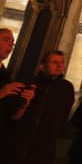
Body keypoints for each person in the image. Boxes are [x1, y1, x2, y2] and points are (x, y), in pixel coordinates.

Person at [13, 50, 75, 164]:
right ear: (42, 66)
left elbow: (64, 113)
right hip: (21, 138)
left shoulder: (67, 87)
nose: (59, 66)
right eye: (54, 62)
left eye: (61, 62)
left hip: (47, 141)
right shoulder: (29, 82)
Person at [0, 28, 35, 163]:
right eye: (6, 40)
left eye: (13, 43)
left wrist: (25, 102)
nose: (11, 45)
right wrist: (2, 92)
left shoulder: (6, 74)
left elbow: (13, 116)